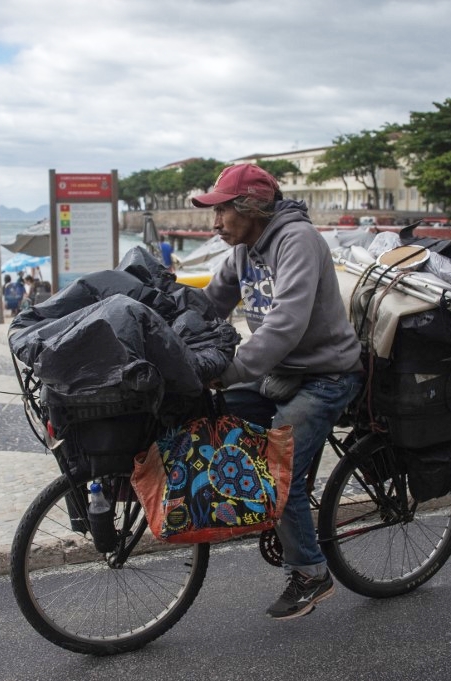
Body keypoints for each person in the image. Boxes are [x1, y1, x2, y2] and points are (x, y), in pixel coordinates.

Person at [191, 163, 364, 620]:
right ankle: (248, 506)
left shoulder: (297, 240)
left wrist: (228, 370)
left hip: (325, 377)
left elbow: (287, 324)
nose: (215, 222)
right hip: (278, 373)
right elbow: (210, 304)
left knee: (277, 467)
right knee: (212, 412)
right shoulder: (245, 249)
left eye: (222, 210)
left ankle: (311, 571)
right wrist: (168, 332)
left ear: (249, 208)